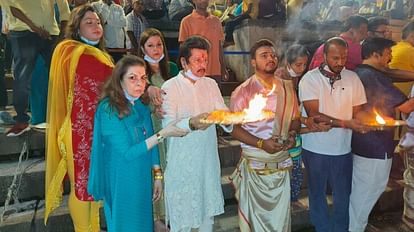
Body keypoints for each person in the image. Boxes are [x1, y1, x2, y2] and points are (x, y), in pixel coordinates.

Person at [87, 55, 187, 232]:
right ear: (119, 80)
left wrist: (157, 175)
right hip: (121, 177)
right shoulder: (108, 109)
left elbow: (152, 143)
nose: (139, 83)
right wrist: (163, 133)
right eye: (132, 78)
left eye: (143, 78)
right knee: (125, 224)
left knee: (143, 224)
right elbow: (127, 153)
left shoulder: (140, 105)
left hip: (141, 176)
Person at [44, 5, 114, 232]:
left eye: (98, 22)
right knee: (83, 187)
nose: (96, 26)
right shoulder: (70, 50)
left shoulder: (101, 55)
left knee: (93, 188)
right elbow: (111, 79)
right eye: (89, 22)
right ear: (77, 28)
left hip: (97, 131)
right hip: (78, 131)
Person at [161, 36, 232, 232]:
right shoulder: (170, 87)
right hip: (182, 164)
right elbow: (168, 126)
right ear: (184, 62)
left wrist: (230, 118)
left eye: (206, 60)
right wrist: (191, 123)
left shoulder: (210, 85)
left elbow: (222, 111)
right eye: (197, 60)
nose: (203, 65)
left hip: (206, 162)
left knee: (206, 220)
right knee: (182, 221)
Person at [298, 37, 369, 232]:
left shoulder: (353, 78)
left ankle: (340, 228)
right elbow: (314, 115)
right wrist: (347, 123)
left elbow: (359, 110)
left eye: (344, 57)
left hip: (343, 148)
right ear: (324, 56)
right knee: (317, 191)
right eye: (335, 58)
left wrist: (364, 121)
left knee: (343, 193)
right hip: (315, 147)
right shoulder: (310, 79)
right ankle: (322, 227)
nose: (340, 62)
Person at [229, 39, 300, 231]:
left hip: (281, 162)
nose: (271, 58)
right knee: (255, 222)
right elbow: (233, 129)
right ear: (253, 62)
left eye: (273, 55)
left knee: (281, 220)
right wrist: (261, 143)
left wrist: (292, 134)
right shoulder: (243, 91)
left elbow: (295, 118)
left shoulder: (287, 87)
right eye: (264, 55)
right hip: (256, 164)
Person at [350, 37, 414, 232]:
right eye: (388, 53)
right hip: (373, 143)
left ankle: (356, 225)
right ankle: (354, 228)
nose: (391, 57)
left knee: (365, 188)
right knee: (369, 189)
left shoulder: (364, 72)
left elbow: (392, 72)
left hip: (366, 141)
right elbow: (407, 106)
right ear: (375, 54)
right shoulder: (372, 77)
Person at [4, 0, 70, 136]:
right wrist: (35, 28)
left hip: (50, 33)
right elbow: (12, 8)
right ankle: (21, 120)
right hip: (23, 31)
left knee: (59, 74)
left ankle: (64, 116)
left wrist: (63, 33)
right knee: (23, 76)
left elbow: (64, 7)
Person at [138, 27, 178, 230]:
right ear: (142, 48)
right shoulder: (139, 72)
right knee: (156, 170)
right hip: (151, 128)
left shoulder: (171, 68)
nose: (155, 49)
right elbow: (133, 102)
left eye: (159, 44)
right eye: (150, 45)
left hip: (173, 126)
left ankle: (173, 211)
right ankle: (156, 216)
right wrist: (151, 103)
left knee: (173, 169)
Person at [179, 0, 228, 84]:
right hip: (195, 71)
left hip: (215, 71)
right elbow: (183, 49)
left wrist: (223, 67)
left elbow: (219, 47)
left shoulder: (216, 21)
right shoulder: (186, 22)